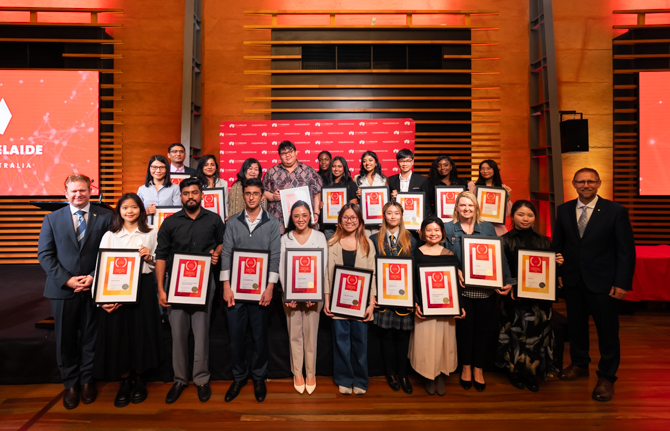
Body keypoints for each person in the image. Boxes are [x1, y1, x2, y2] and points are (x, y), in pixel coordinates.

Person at [552, 168, 635, 402]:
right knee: (576, 327)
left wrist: (622, 283)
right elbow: (559, 245)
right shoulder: (564, 210)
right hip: (573, 281)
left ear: (599, 183)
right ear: (573, 184)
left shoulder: (616, 211)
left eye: (590, 181)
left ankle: (607, 377)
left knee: (608, 332)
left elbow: (626, 251)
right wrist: (558, 271)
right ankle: (579, 364)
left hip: (604, 283)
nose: (585, 185)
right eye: (581, 181)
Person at [37, 174, 113, 410]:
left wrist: (93, 276)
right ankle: (70, 383)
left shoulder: (106, 216)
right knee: (65, 340)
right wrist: (68, 280)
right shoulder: (52, 219)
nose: (78, 195)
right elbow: (45, 255)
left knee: (92, 337)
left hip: (94, 286)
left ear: (90, 191)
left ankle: (88, 380)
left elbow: (110, 252)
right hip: (63, 289)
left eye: (83, 190)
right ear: (66, 193)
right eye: (74, 191)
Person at [155, 177, 225, 404]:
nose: (191, 197)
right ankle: (180, 379)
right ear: (181, 196)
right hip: (175, 285)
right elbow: (161, 256)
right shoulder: (170, 222)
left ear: (201, 195)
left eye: (195, 193)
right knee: (178, 334)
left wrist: (216, 251)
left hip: (204, 283)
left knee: (202, 332)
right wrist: (160, 289)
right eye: (186, 193)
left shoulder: (214, 219)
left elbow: (223, 242)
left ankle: (202, 379)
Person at [93, 193, 163, 407]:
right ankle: (125, 381)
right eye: (125, 208)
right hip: (116, 291)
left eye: (134, 207)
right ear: (119, 211)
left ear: (141, 209)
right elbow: (100, 267)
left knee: (141, 334)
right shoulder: (110, 235)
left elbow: (158, 263)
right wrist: (100, 299)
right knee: (119, 335)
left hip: (143, 289)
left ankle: (140, 379)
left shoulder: (152, 231)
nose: (129, 211)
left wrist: (149, 257)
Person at [443, 191, 513, 392]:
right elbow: (441, 256)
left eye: (470, 206)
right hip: (462, 291)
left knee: (483, 331)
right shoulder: (448, 228)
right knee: (465, 331)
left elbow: (500, 257)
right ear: (456, 207)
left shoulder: (487, 227)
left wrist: (507, 280)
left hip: (486, 291)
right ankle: (465, 368)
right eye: (463, 205)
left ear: (476, 208)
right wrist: (453, 270)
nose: (466, 209)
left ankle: (478, 369)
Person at [221, 178, 282, 403]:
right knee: (236, 337)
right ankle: (238, 377)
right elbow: (226, 253)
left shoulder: (272, 223)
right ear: (243, 195)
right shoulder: (234, 221)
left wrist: (270, 288)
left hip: (261, 292)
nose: (252, 197)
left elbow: (275, 256)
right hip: (235, 291)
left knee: (259, 337)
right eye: (248, 193)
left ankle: (258, 376)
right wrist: (226, 286)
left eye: (256, 193)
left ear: (261, 195)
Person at [497, 200, 564, 392]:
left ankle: (532, 373)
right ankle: (514, 372)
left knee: (537, 336)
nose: (525, 219)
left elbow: (547, 272)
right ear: (512, 217)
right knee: (516, 336)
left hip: (539, 300)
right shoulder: (504, 240)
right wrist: (514, 285)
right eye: (521, 214)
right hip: (514, 298)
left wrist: (557, 263)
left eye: (530, 215)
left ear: (535, 218)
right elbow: (502, 270)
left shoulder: (544, 241)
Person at [409, 216, 466, 396]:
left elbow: (456, 285)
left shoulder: (450, 255)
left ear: (442, 233)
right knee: (426, 341)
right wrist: (416, 303)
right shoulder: (416, 253)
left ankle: (440, 373)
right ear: (422, 233)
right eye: (429, 230)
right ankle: (428, 375)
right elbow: (413, 282)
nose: (433, 233)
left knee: (443, 341)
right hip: (424, 308)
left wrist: (461, 306)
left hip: (446, 308)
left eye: (437, 230)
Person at [324, 203, 376, 395]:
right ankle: (344, 378)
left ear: (360, 221)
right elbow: (326, 275)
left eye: (353, 218)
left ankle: (361, 379)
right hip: (338, 303)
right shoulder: (331, 244)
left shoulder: (368, 243)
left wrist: (371, 303)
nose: (349, 221)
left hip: (361, 304)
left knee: (360, 342)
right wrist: (327, 300)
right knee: (341, 342)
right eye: (345, 217)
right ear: (340, 221)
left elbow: (373, 275)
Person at [279, 201, 328, 395]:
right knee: (294, 335)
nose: (301, 219)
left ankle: (310, 373)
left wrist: (314, 294)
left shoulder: (319, 236)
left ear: (311, 217)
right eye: (297, 215)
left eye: (305, 215)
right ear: (291, 217)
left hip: (313, 296)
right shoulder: (285, 238)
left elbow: (322, 265)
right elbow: (282, 268)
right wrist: (287, 293)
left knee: (311, 336)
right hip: (290, 296)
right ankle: (297, 373)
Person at [370, 202, 416, 394]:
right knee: (387, 337)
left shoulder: (411, 240)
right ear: (384, 215)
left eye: (397, 213)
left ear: (402, 215)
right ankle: (390, 373)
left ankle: (403, 374)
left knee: (403, 337)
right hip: (383, 296)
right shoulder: (374, 239)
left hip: (403, 297)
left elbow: (414, 271)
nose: (393, 216)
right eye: (389, 213)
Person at [262, 141, 323, 234]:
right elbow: (263, 192)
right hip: (278, 223)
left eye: (290, 152)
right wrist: (273, 197)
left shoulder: (309, 171)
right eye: (283, 153)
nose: (287, 155)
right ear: (279, 156)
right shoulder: (271, 172)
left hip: (304, 221)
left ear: (296, 152)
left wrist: (316, 213)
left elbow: (317, 193)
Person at [467, 159, 511, 236]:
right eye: (482, 168)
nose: (485, 171)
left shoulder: (502, 188)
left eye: (488, 168)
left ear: (495, 170)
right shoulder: (473, 185)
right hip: (476, 223)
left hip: (496, 225)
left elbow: (508, 212)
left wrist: (507, 198)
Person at [320, 156, 359, 240]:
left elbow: (353, 207)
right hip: (329, 226)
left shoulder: (351, 184)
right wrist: (321, 206)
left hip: (345, 225)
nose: (336, 169)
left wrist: (342, 220)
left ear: (344, 168)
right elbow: (324, 204)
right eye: (334, 166)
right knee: (330, 250)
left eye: (339, 166)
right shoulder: (326, 184)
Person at [387, 149, 432, 218]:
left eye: (408, 161)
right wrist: (392, 198)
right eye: (402, 161)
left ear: (412, 162)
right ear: (397, 162)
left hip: (415, 219)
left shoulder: (422, 180)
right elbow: (386, 204)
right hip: (397, 219)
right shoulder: (390, 180)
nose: (405, 164)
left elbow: (426, 205)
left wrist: (422, 223)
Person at [136, 155, 181, 220]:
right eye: (154, 167)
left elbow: (178, 211)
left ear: (167, 169)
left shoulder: (175, 188)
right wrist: (146, 212)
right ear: (149, 168)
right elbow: (137, 213)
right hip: (147, 226)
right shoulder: (142, 189)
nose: (158, 171)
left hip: (168, 226)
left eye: (162, 167)